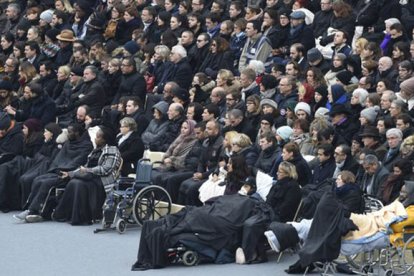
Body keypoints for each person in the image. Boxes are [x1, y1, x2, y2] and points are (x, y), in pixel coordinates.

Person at [51, 126, 121, 225]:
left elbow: (106, 169)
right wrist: (70, 174)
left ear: (104, 140)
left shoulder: (112, 150)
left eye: (97, 137)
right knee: (73, 182)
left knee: (79, 184)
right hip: (90, 176)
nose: (95, 139)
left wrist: (88, 170)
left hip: (102, 180)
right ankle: (65, 214)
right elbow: (85, 166)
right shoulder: (96, 150)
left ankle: (82, 218)